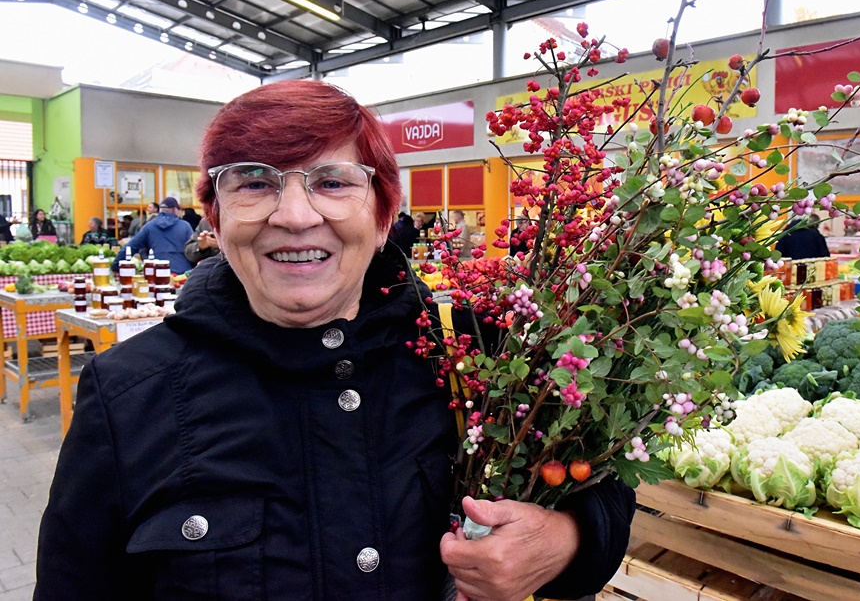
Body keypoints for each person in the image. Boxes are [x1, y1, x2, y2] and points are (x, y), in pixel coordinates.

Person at [35, 80, 633, 601]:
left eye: (332, 181)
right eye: (253, 183)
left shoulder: (473, 355)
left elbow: (604, 484)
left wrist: (566, 541)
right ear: (214, 220)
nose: (295, 214)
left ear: (380, 215)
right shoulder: (127, 395)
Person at [113, 197, 193, 274]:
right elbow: (193, 250)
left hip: (157, 272)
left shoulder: (149, 226)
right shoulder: (185, 226)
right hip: (183, 273)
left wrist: (115, 266)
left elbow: (131, 247)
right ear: (175, 210)